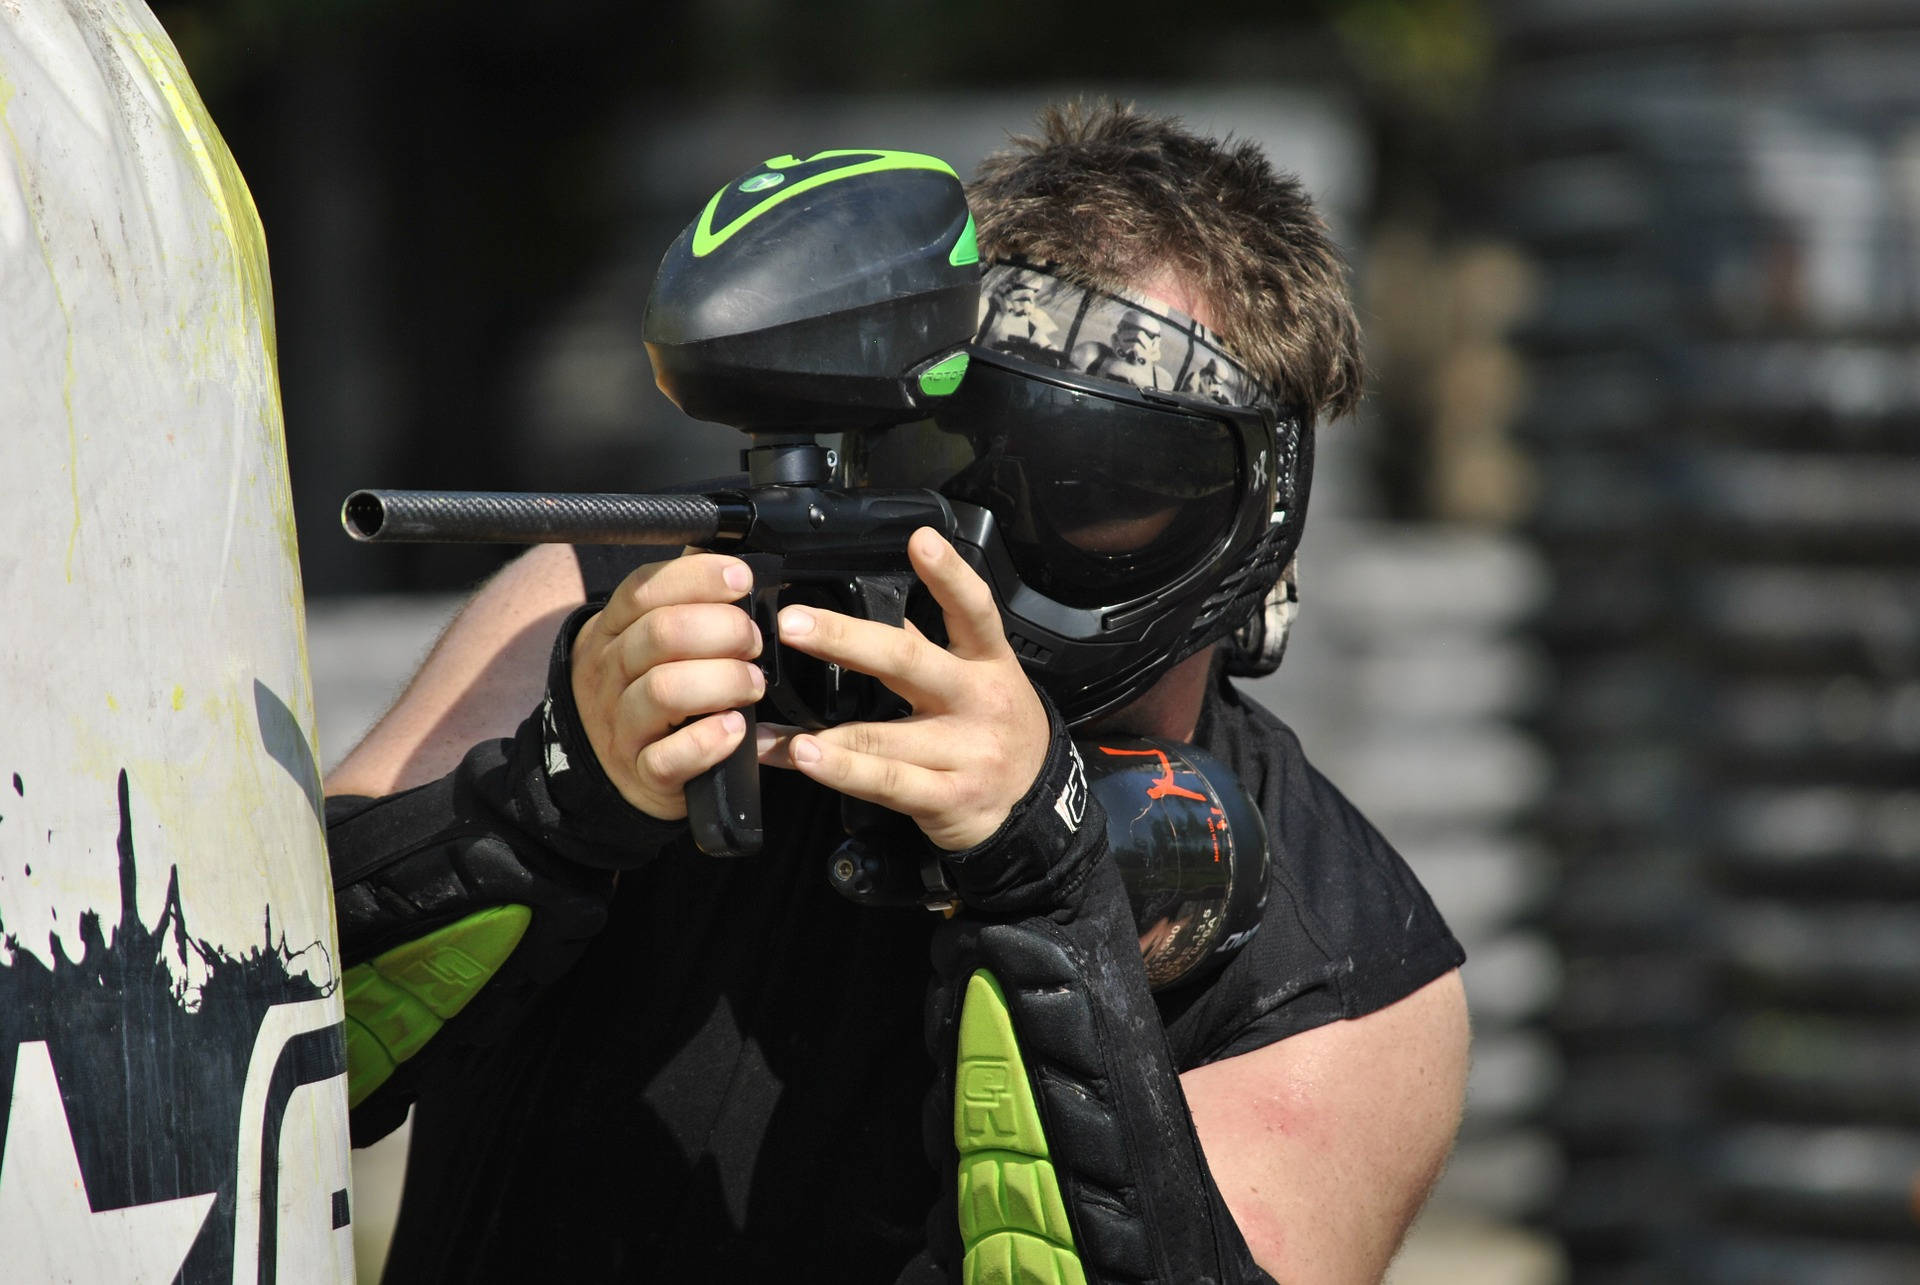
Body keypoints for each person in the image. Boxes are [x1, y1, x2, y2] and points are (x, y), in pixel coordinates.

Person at [326, 101, 1469, 1284]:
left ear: (1251, 531)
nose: (992, 559)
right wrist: (550, 798)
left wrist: (1042, 890)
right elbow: (232, 1028)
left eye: (1100, 487)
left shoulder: (1344, 972)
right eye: (958, 457)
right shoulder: (636, 620)